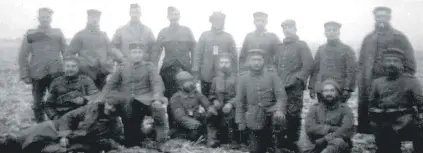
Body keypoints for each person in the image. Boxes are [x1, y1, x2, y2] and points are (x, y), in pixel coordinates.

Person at [0, 91, 126, 153]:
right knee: (20, 138)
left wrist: (111, 145)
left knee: (45, 150)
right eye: (109, 104)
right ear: (105, 103)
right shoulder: (91, 108)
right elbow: (68, 117)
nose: (110, 108)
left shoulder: (115, 123)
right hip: (57, 129)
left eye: (114, 107)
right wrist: (64, 135)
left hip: (78, 143)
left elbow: (115, 140)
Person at [357, 6, 416, 134]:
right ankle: (371, 129)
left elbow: (410, 61)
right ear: (375, 18)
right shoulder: (368, 38)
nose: (381, 19)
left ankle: (395, 132)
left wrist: (404, 80)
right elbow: (361, 61)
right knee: (372, 107)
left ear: (389, 18)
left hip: (392, 79)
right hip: (371, 80)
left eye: (384, 16)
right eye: (378, 16)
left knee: (392, 108)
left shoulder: (399, 37)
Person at [99, 43, 169, 149]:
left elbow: (157, 84)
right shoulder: (122, 67)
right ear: (129, 54)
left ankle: (161, 141)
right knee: (131, 141)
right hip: (126, 102)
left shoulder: (149, 67)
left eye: (139, 52)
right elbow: (110, 84)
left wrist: (157, 98)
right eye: (134, 52)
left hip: (145, 100)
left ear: (143, 54)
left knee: (158, 109)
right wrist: (102, 99)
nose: (137, 55)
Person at [368, 48, 423, 153]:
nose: (391, 64)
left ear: (402, 63)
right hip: (385, 121)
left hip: (406, 121)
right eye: (388, 61)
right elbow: (371, 105)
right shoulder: (377, 83)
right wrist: (377, 113)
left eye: (395, 61)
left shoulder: (411, 81)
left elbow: (421, 105)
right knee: (387, 146)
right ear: (383, 63)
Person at [18, 7, 67, 123]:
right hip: (37, 73)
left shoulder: (57, 33)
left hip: (56, 72)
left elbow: (66, 52)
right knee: (37, 103)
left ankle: (58, 125)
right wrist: (24, 74)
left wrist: (69, 71)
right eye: (42, 17)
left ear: (51, 19)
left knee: (58, 100)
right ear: (38, 18)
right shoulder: (31, 34)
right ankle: (40, 126)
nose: (45, 19)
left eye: (47, 17)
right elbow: (22, 55)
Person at [235, 49, 287, 153]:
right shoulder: (243, 78)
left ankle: (276, 144)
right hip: (253, 116)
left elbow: (281, 96)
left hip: (271, 114)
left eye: (259, 59)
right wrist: (240, 121)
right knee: (256, 150)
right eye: (253, 60)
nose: (256, 63)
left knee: (278, 120)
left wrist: (279, 110)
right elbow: (240, 101)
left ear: (264, 61)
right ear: (249, 61)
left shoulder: (272, 76)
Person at [274, 19, 314, 153]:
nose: (287, 30)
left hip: (294, 87)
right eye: (284, 27)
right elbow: (274, 65)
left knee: (294, 113)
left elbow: (308, 64)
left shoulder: (301, 45)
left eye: (290, 27)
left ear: (295, 29)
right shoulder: (279, 47)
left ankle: (293, 140)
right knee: (280, 111)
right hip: (280, 86)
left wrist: (298, 79)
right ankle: (280, 141)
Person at [66, 9, 123, 89]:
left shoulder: (103, 35)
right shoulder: (80, 35)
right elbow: (69, 53)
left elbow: (112, 51)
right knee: (87, 97)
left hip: (103, 73)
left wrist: (123, 59)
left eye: (97, 18)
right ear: (88, 18)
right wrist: (81, 63)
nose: (95, 19)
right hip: (86, 73)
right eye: (92, 17)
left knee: (103, 97)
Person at [152, 6, 196, 100]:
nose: (174, 17)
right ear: (168, 17)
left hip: (185, 68)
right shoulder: (163, 32)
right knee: (169, 95)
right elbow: (156, 52)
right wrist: (154, 69)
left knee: (187, 95)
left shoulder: (187, 31)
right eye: (172, 15)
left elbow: (194, 50)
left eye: (176, 14)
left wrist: (194, 66)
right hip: (168, 69)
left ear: (180, 16)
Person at [192, 11, 238, 98]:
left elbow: (234, 57)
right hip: (206, 74)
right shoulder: (205, 35)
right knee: (206, 98)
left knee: (220, 97)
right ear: (211, 21)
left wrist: (234, 73)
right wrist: (196, 70)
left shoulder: (228, 37)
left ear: (223, 22)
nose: (217, 22)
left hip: (222, 74)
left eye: (220, 20)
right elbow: (198, 54)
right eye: (215, 20)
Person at [309, 21, 357, 103]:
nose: (331, 32)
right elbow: (315, 70)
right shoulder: (321, 49)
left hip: (340, 89)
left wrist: (347, 89)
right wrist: (312, 87)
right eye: (329, 30)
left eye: (334, 30)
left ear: (339, 32)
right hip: (322, 89)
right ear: (325, 33)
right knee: (321, 112)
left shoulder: (347, 49)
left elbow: (351, 71)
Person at [304, 79, 355, 153]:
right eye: (326, 91)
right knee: (303, 141)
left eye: (332, 90)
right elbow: (309, 127)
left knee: (338, 142)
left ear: (337, 92)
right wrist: (330, 129)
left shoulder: (345, 109)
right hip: (317, 142)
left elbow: (347, 130)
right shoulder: (314, 108)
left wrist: (326, 138)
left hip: (337, 144)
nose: (329, 93)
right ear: (322, 93)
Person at [170, 71, 218, 144]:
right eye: (187, 81)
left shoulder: (196, 93)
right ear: (180, 84)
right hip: (182, 128)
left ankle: (211, 139)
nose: (190, 83)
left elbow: (207, 104)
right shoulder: (176, 98)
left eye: (190, 80)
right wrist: (195, 124)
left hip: (196, 123)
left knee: (213, 116)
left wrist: (210, 111)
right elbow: (180, 117)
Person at [207, 52, 242, 148]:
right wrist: (214, 101)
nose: (224, 64)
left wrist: (230, 104)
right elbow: (211, 94)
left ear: (231, 64)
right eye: (222, 62)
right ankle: (213, 139)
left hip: (232, 106)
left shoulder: (237, 79)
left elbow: (240, 95)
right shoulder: (215, 79)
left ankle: (232, 141)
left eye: (227, 62)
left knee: (230, 116)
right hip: (219, 105)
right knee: (210, 113)